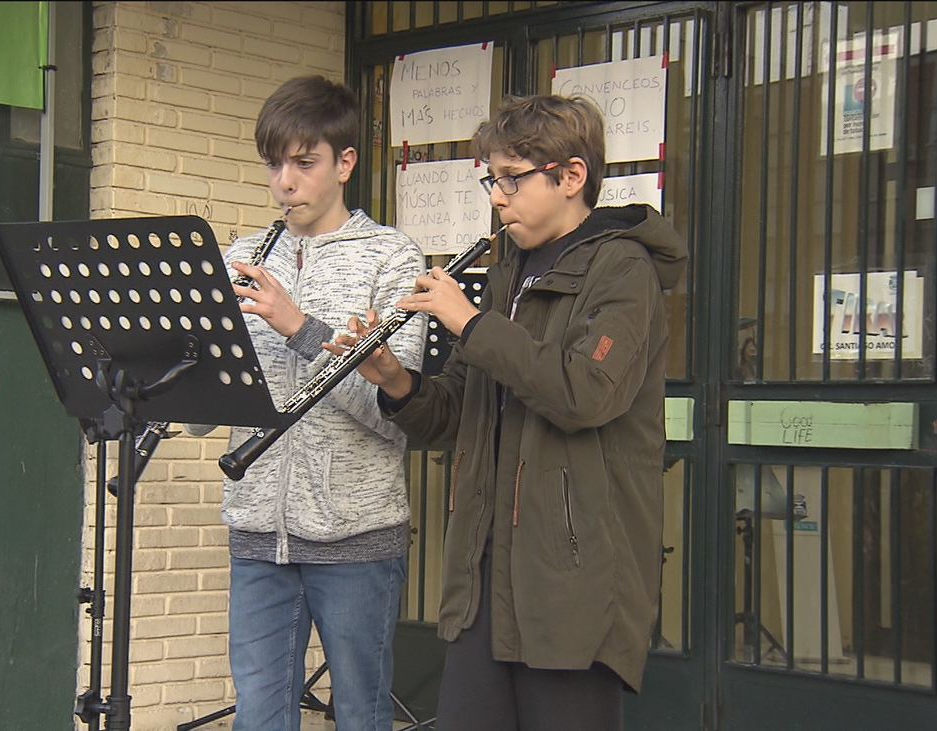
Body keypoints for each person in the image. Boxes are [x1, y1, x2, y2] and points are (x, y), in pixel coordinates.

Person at [331, 93, 688, 731]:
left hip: (571, 578)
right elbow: (451, 412)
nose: (496, 197)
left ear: (572, 176)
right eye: (490, 180)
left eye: (512, 179)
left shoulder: (622, 270)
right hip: (484, 573)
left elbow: (585, 392)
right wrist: (391, 377)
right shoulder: (509, 273)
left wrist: (468, 320)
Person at [186, 75, 426, 731]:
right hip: (258, 531)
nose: (283, 182)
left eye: (303, 161)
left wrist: (299, 326)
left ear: (344, 162)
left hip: (355, 537)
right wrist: (181, 364)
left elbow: (390, 407)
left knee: (360, 714)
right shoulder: (242, 257)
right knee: (258, 718)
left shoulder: (392, 260)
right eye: (273, 163)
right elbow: (203, 414)